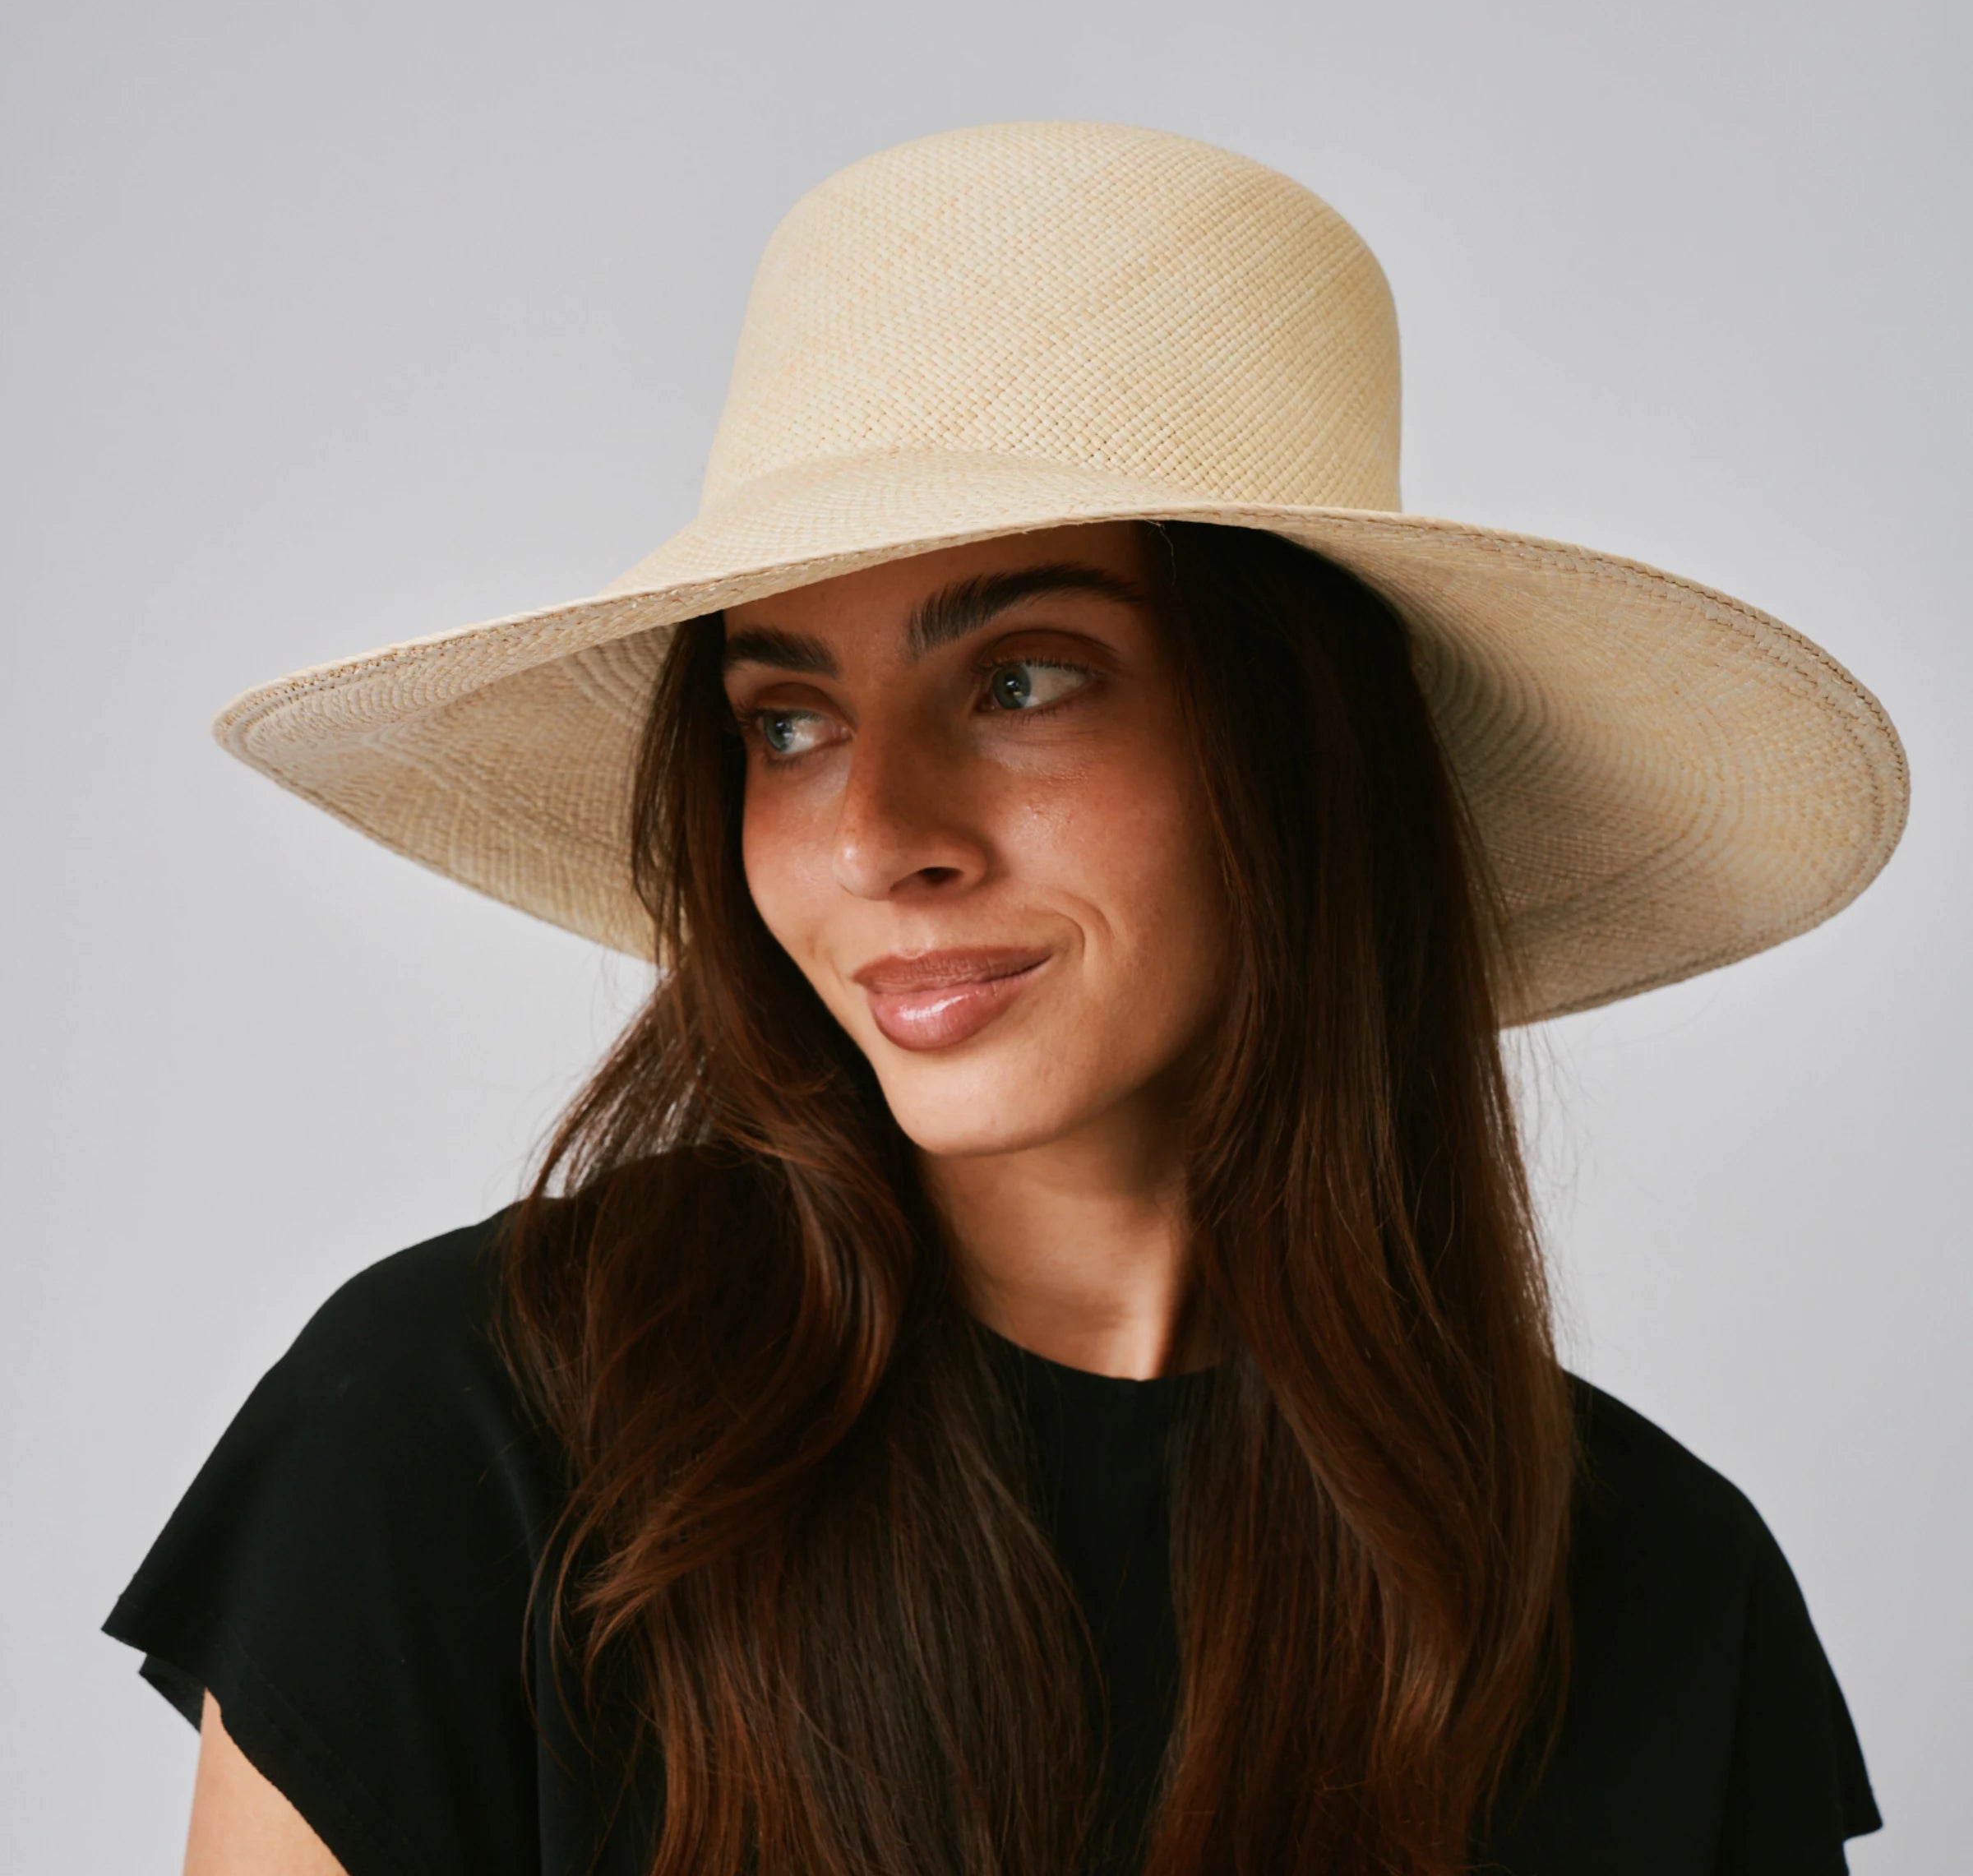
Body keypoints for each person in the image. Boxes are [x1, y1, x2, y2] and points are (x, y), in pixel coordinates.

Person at [105, 122, 1902, 1876]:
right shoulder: (470, 1433)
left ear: (1299, 748)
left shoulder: (1658, 1597)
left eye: (1026, 678)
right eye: (785, 723)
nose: (879, 832)